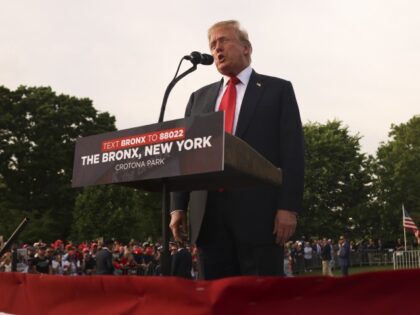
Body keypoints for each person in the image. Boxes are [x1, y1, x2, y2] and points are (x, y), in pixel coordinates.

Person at [170, 20, 304, 279]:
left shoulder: (278, 90)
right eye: (212, 44)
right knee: (217, 299)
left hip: (260, 215)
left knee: (261, 299)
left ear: (246, 48)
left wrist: (288, 207)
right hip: (209, 218)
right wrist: (178, 207)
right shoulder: (199, 99)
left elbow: (293, 152)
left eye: (223, 41)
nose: (216, 48)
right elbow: (184, 155)